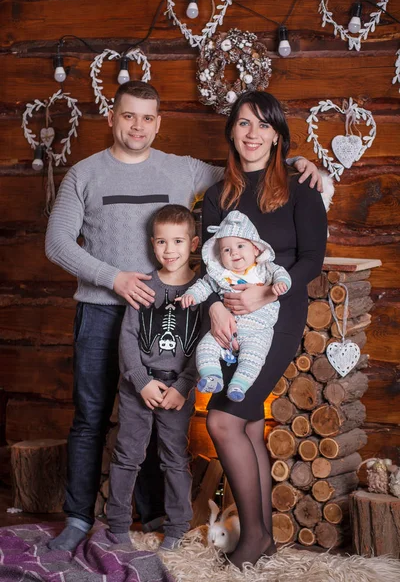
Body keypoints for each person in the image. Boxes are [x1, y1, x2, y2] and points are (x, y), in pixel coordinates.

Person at [44, 79, 322, 551]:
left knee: (169, 413)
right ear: (112, 118)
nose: (138, 125)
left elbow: (252, 170)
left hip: (173, 313)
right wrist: (116, 279)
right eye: (128, 115)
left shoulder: (185, 169)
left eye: (147, 117)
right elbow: (56, 243)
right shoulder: (84, 174)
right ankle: (77, 518)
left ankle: (160, 519)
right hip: (103, 307)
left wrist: (299, 161)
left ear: (158, 123)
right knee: (93, 418)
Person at [200, 91, 328, 569]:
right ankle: (265, 539)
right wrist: (215, 307)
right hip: (228, 321)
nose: (251, 134)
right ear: (232, 132)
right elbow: (206, 264)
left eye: (262, 125)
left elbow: (312, 258)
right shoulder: (218, 195)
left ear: (277, 134)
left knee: (222, 419)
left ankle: (252, 538)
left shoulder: (300, 189)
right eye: (242, 124)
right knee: (248, 422)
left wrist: (265, 293)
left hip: (277, 317)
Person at [106, 204, 200, 551]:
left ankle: (176, 527)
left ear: (193, 244)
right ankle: (116, 523)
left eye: (177, 241)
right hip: (137, 386)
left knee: (175, 457)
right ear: (152, 244)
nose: (169, 250)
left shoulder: (202, 294)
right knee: (127, 454)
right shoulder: (144, 287)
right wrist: (139, 379)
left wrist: (183, 387)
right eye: (161, 242)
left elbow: (203, 347)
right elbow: (127, 338)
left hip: (177, 389)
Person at [178, 210, 291, 402]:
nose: (234, 253)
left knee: (254, 357)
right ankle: (212, 376)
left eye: (240, 246)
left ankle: (239, 385)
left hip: (258, 330)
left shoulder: (264, 269)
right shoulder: (221, 274)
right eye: (226, 250)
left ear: (255, 249)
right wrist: (191, 296)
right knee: (205, 347)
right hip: (226, 329)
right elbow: (204, 286)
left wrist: (280, 284)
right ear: (220, 256)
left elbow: (282, 274)